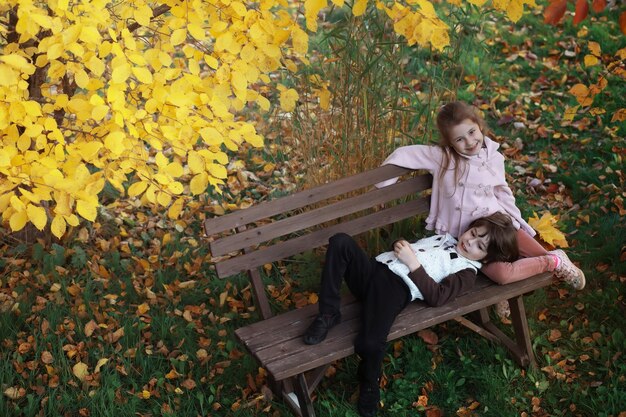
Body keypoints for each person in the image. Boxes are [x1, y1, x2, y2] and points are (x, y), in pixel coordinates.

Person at [376, 101, 585, 316]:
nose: (469, 142)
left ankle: (556, 258)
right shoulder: (443, 158)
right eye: (459, 139)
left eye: (472, 132)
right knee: (502, 274)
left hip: (498, 223)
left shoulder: (492, 157)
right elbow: (405, 154)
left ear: (478, 124)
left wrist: (516, 220)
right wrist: (382, 189)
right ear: (449, 142)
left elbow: (502, 191)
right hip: (470, 240)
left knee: (528, 249)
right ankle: (543, 266)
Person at [303, 212, 519, 417]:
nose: (470, 242)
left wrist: (412, 263)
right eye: (472, 234)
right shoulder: (442, 238)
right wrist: (399, 245)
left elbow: (437, 296)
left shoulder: (466, 271)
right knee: (340, 242)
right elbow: (409, 249)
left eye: (479, 246)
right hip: (374, 270)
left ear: (486, 259)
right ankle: (329, 313)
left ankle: (369, 381)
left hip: (394, 289)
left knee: (370, 342)